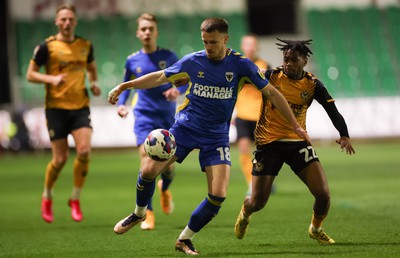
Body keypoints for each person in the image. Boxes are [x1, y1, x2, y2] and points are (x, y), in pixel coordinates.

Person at [108, 18, 310, 255]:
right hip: (185, 128)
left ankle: (184, 239)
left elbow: (273, 94)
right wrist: (125, 86)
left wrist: (295, 126)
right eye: (205, 41)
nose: (208, 47)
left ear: (225, 39)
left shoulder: (241, 65)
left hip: (216, 136)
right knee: (148, 170)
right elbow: (160, 77)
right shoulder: (194, 60)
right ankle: (139, 213)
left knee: (218, 195)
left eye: (213, 42)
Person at [234, 38, 355, 244]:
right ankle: (245, 213)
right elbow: (239, 79)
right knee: (258, 202)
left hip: (297, 143)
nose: (288, 63)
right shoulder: (270, 76)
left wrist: (344, 134)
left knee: (323, 194)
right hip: (268, 144)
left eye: (293, 59)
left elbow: (332, 111)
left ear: (304, 60)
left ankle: (315, 229)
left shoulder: (313, 84)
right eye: (286, 59)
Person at [26, 4, 101, 223]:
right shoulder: (47, 47)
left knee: (85, 151)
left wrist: (94, 83)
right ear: (57, 22)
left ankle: (75, 199)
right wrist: (51, 79)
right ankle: (47, 196)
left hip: (80, 107)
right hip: (56, 109)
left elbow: (91, 67)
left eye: (70, 19)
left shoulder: (85, 45)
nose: (67, 23)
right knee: (59, 160)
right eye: (63, 19)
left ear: (75, 21)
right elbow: (31, 74)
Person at [116, 13, 187, 230]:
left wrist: (177, 90)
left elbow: (184, 79)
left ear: (156, 32)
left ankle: (165, 188)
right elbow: (126, 84)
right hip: (144, 116)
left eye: (150, 29)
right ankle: (148, 213)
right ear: (138, 33)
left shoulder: (169, 55)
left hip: (167, 117)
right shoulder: (132, 60)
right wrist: (121, 103)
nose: (147, 32)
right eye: (143, 29)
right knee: (146, 160)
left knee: (168, 168)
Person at [235, 34, 270, 195]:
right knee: (243, 149)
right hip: (242, 116)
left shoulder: (264, 65)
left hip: (260, 116)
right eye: (247, 45)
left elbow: (271, 91)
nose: (250, 48)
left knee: (262, 153)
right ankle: (251, 183)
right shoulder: (236, 65)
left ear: (257, 47)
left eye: (252, 45)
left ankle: (262, 179)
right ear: (243, 47)